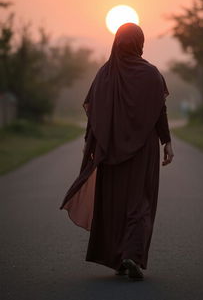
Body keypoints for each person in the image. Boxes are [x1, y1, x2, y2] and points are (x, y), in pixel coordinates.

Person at [59, 22, 174, 281]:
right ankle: (130, 253)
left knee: (113, 204)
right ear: (140, 42)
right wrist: (166, 142)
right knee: (140, 201)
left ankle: (120, 255)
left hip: (109, 151)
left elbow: (94, 113)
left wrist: (90, 143)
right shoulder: (152, 74)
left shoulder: (104, 74)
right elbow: (160, 111)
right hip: (143, 151)